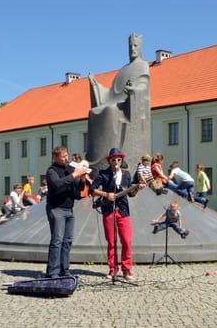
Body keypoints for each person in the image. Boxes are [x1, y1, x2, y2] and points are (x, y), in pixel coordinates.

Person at [86, 33, 151, 172]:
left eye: (135, 46)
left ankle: (106, 158)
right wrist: (96, 86)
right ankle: (96, 159)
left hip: (129, 106)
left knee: (110, 110)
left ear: (140, 48)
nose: (132, 49)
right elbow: (112, 93)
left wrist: (133, 90)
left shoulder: (143, 66)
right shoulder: (124, 69)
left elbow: (143, 86)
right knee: (93, 112)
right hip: (118, 102)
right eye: (130, 46)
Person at [90, 148, 145, 280]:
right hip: (108, 210)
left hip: (123, 210)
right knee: (111, 240)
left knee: (126, 240)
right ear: (109, 161)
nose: (116, 162)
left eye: (118, 159)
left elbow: (130, 194)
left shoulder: (126, 175)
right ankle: (113, 268)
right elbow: (92, 189)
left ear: (121, 161)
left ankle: (126, 269)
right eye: (113, 159)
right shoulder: (104, 174)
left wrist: (137, 189)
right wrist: (106, 194)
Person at [44, 146, 88, 279]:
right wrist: (75, 174)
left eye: (66, 156)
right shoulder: (52, 170)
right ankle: (53, 272)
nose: (66, 158)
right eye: (63, 156)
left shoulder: (69, 169)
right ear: (56, 157)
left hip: (69, 209)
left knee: (67, 241)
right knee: (57, 241)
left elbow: (79, 187)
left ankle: (65, 270)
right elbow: (58, 184)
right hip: (56, 208)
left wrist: (83, 178)